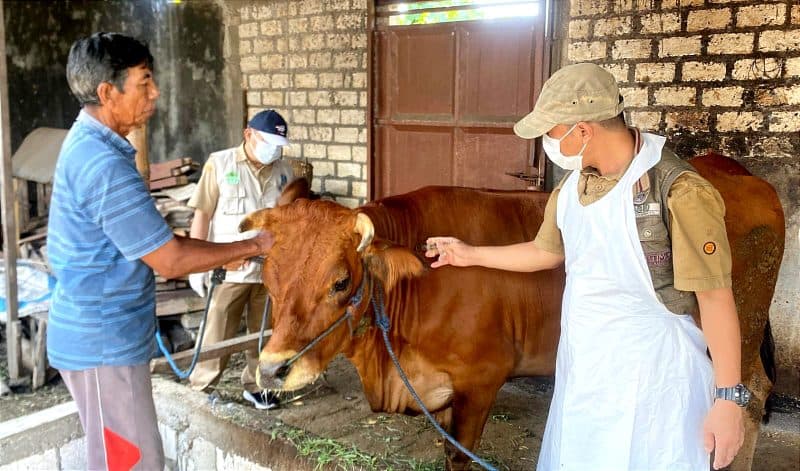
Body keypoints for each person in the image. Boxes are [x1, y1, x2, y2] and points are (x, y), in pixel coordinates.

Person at [426, 63, 746, 471]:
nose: (547, 142)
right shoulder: (573, 187)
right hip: (587, 369)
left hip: (656, 380)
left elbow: (716, 298)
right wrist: (468, 254)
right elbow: (547, 252)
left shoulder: (679, 191)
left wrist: (728, 399)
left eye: (551, 131)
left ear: (582, 130)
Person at [47, 32, 274, 471]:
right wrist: (250, 245)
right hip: (102, 344)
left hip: (106, 339)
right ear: (107, 92)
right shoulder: (104, 165)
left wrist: (229, 252)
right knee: (132, 462)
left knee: (123, 457)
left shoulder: (92, 144)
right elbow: (168, 258)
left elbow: (158, 244)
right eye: (145, 82)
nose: (156, 93)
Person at [186, 109, 294, 409]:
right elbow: (203, 213)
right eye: (268, 141)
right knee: (217, 333)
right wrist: (198, 264)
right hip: (230, 269)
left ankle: (257, 385)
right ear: (249, 134)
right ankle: (201, 388)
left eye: (278, 144)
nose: (274, 149)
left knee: (264, 332)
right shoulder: (220, 164)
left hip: (268, 270)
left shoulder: (284, 170)